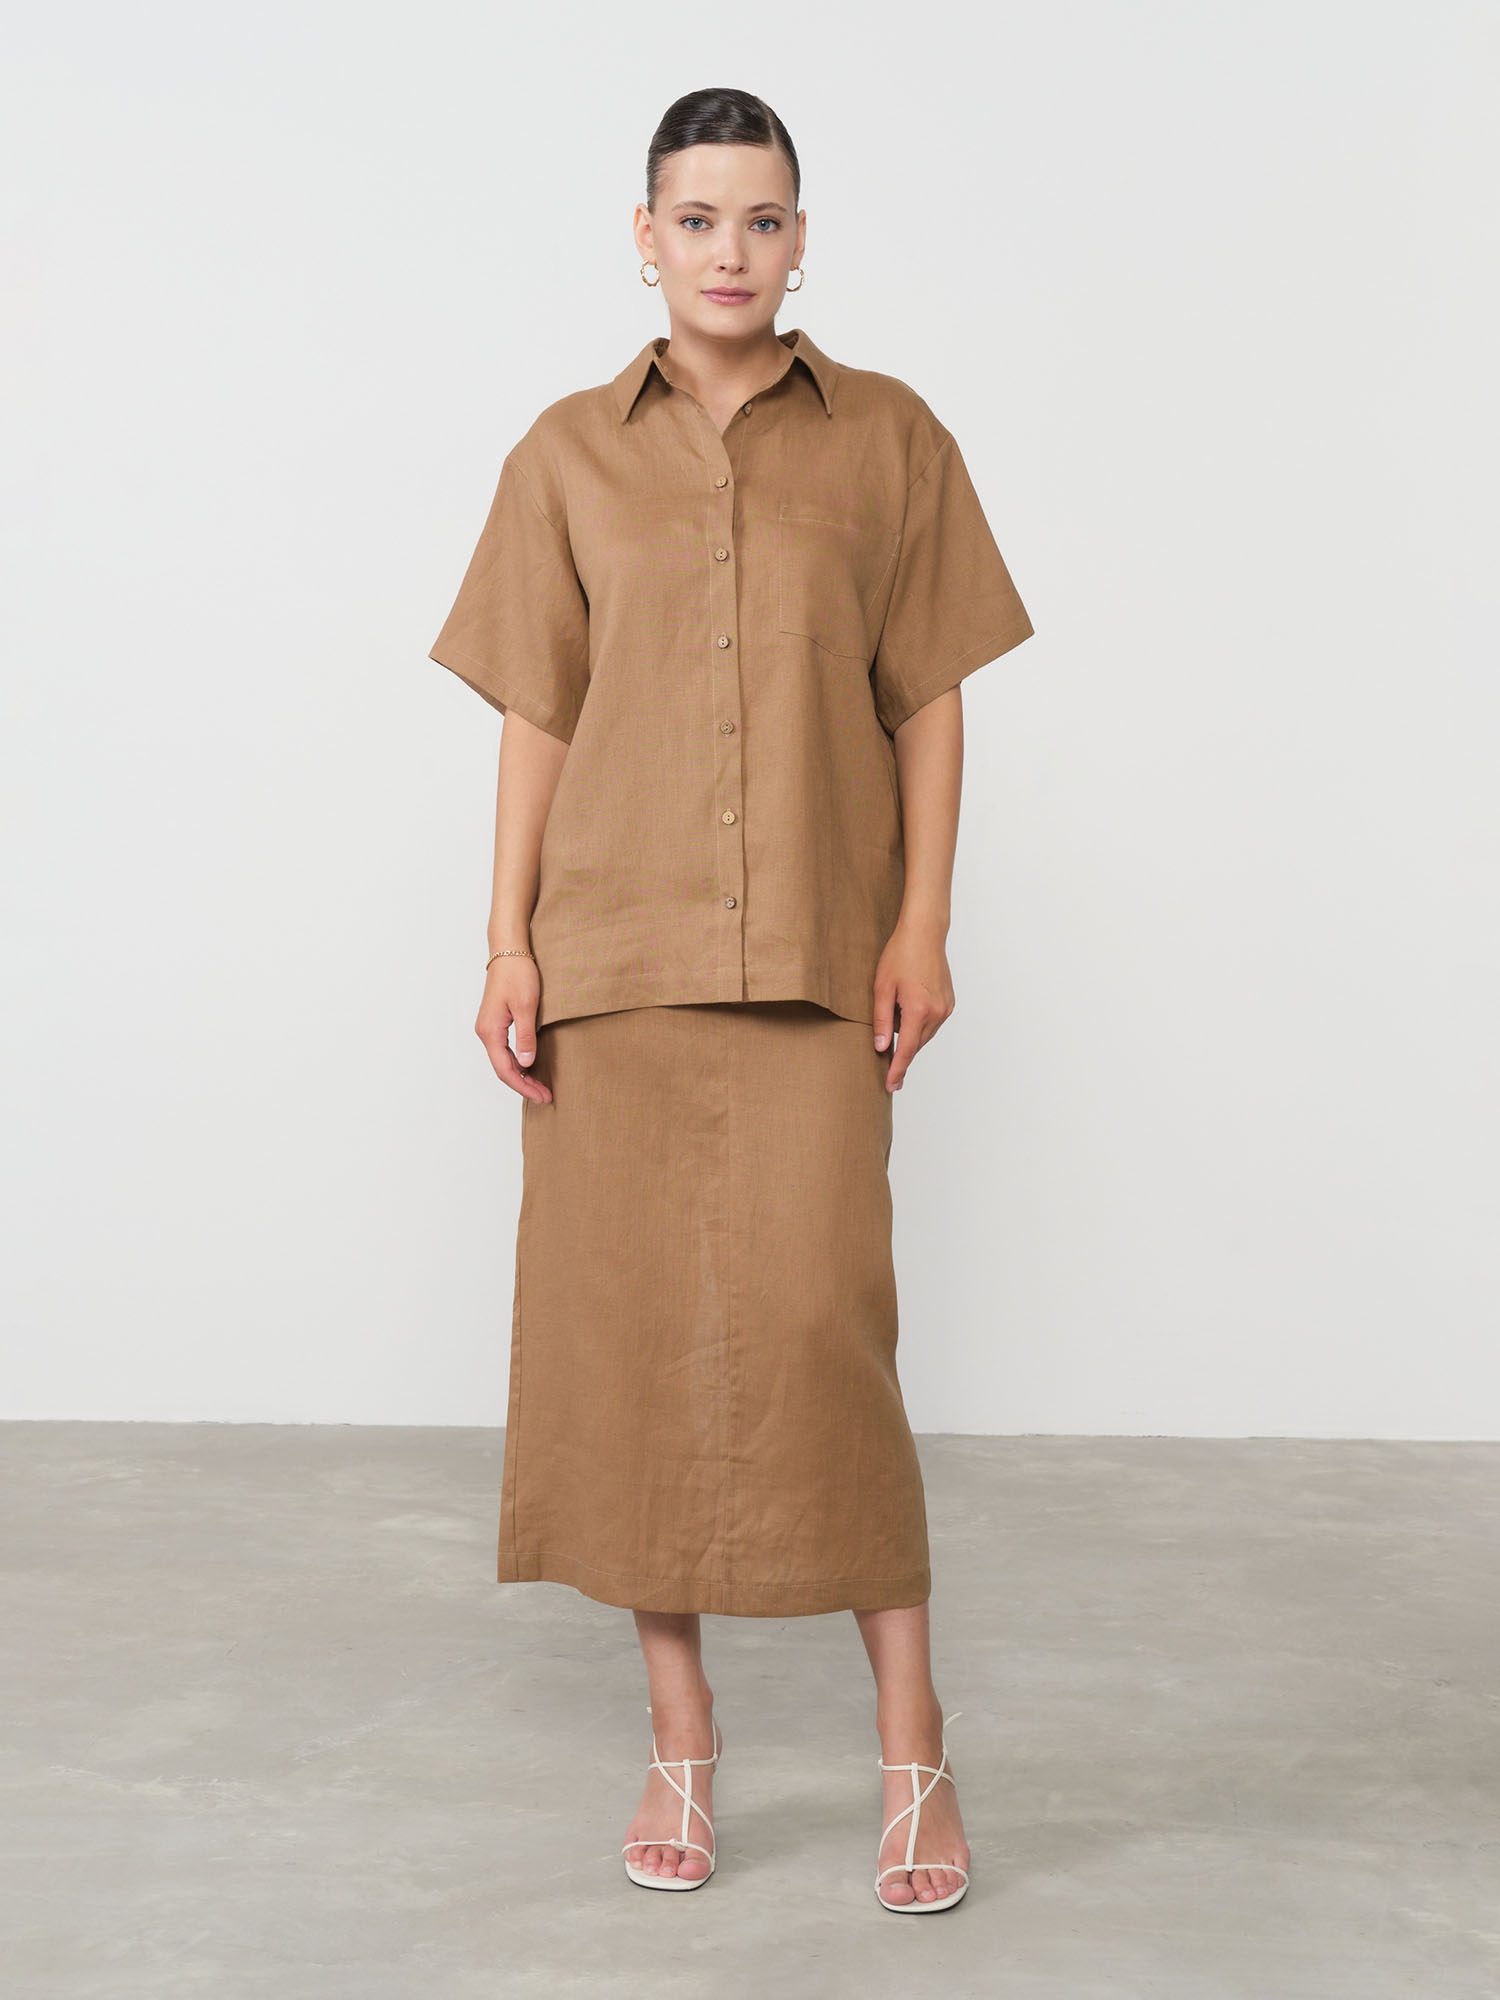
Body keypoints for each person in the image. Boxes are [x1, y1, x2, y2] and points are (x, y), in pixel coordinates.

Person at [427, 86, 1034, 1913]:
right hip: (614, 965)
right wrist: (508, 940)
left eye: (761, 219)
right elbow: (540, 713)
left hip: (815, 960)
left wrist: (923, 924)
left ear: (800, 241)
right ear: (645, 237)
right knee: (627, 1357)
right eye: (696, 219)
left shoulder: (891, 440)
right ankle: (680, 1746)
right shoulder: (562, 455)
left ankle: (915, 1750)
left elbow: (930, 699)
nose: (729, 251)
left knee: (828, 1343)